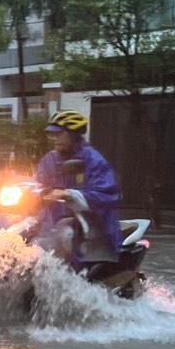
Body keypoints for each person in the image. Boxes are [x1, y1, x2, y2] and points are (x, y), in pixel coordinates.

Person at [35, 110, 123, 270]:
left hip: (89, 226)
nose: (55, 139)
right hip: (53, 221)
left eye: (60, 134)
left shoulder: (94, 160)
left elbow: (108, 195)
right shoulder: (50, 159)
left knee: (66, 235)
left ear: (74, 135)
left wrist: (72, 194)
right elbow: (38, 183)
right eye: (53, 135)